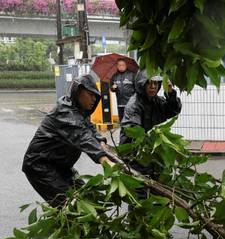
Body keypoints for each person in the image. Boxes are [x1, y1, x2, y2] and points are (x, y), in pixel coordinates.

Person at [22, 73, 114, 207]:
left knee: (87, 196)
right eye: (90, 94)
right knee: (73, 205)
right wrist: (104, 160)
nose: (94, 99)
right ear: (78, 91)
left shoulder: (80, 111)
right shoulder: (65, 111)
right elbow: (82, 136)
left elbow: (89, 128)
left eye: (96, 96)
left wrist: (101, 140)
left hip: (61, 166)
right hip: (40, 166)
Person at [120, 71, 182, 196]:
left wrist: (170, 93)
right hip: (136, 159)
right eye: (149, 83)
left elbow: (172, 110)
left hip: (153, 157)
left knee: (159, 197)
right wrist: (150, 139)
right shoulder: (134, 105)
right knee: (140, 199)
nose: (153, 86)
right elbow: (132, 133)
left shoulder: (156, 101)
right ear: (141, 85)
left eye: (156, 83)